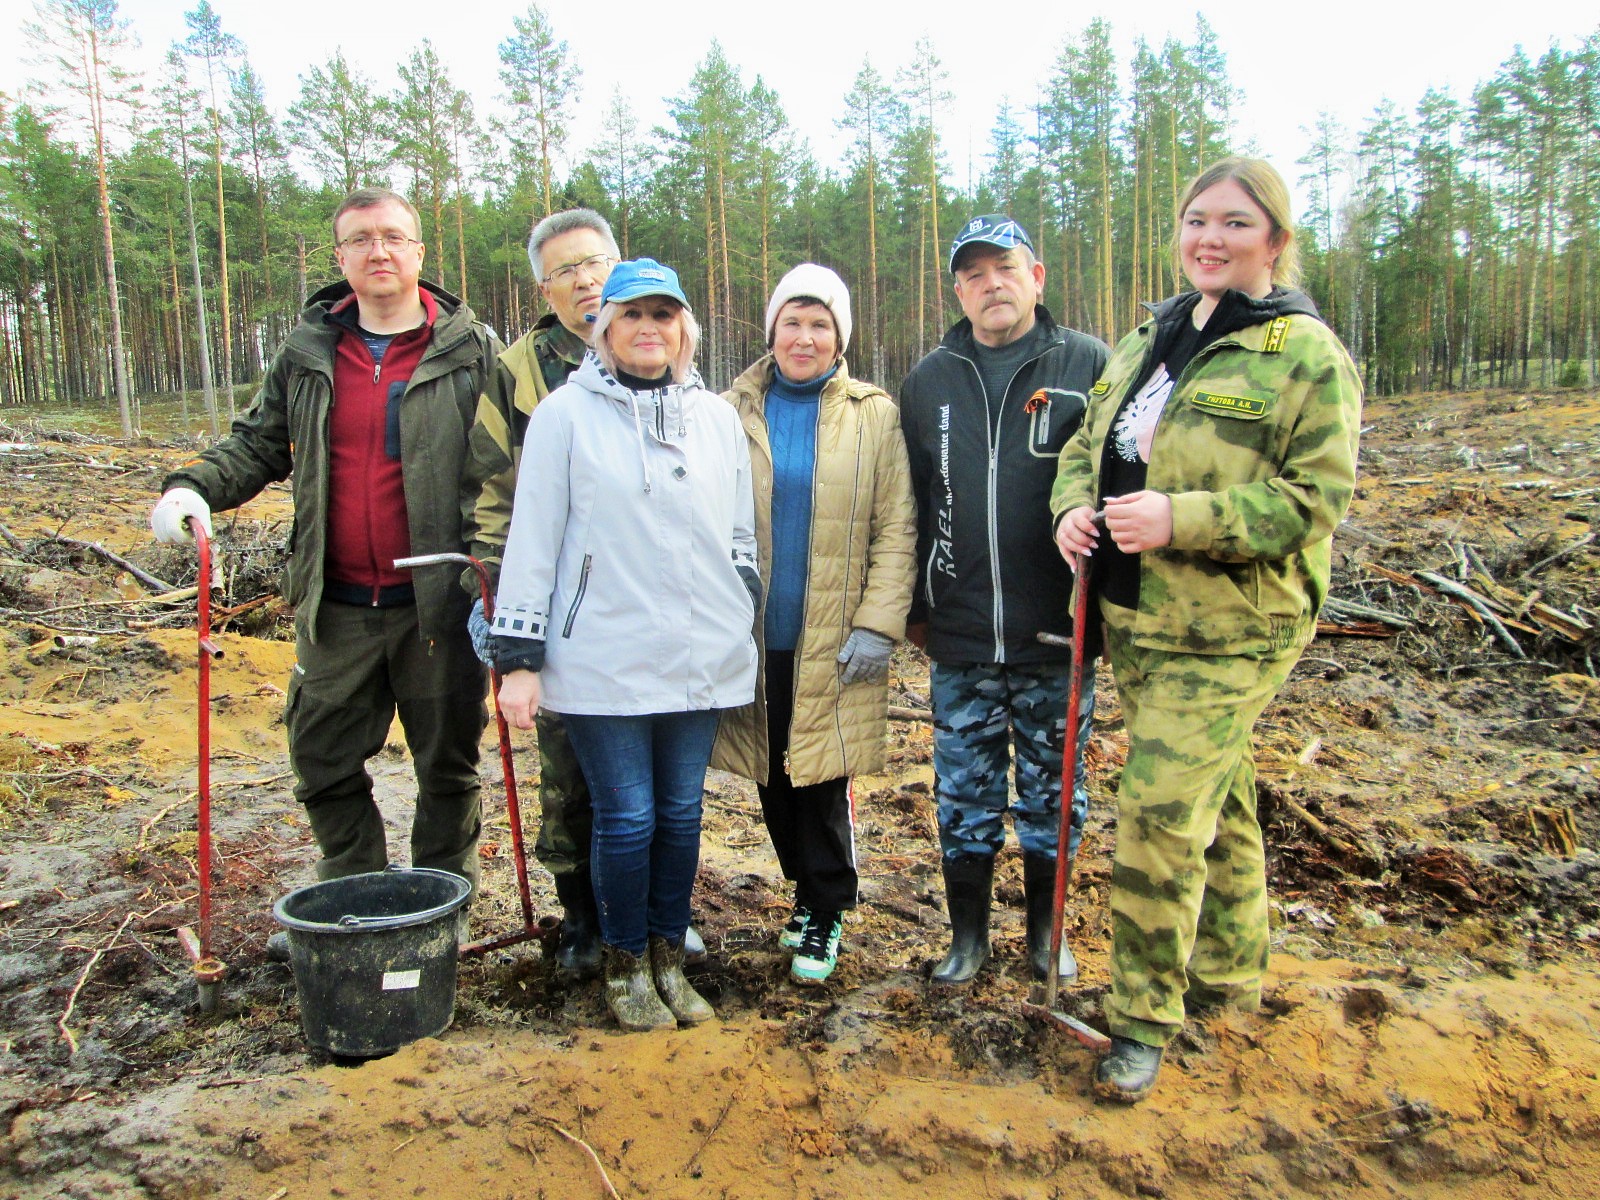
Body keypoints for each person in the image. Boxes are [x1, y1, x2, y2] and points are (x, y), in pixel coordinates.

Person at [1053, 156, 1362, 1103]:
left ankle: (1145, 1017)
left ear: (1274, 237)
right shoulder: (1153, 332)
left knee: (1156, 808)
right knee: (1214, 793)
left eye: (1234, 223)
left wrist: (1183, 518)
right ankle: (1229, 980)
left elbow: (1314, 502)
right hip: (1135, 614)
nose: (1210, 239)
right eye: (1196, 221)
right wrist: (1072, 508)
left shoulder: (1305, 355)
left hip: (1233, 628)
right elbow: (1085, 444)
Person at [151, 187, 500, 952]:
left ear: (418, 251)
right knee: (323, 762)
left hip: (437, 605)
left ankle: (441, 913)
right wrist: (192, 487)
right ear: (340, 258)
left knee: (449, 766)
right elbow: (256, 442)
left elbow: (512, 466)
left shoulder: (473, 350)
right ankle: (354, 897)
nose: (379, 252)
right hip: (334, 603)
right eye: (361, 240)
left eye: (393, 238)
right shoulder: (310, 353)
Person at [490, 259, 758, 1032]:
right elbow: (532, 538)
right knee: (628, 817)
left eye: (664, 315)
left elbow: (739, 531)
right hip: (601, 654)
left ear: (684, 331)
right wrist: (518, 657)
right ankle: (624, 965)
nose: (649, 328)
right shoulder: (564, 418)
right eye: (632, 315)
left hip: (700, 654)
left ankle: (670, 958)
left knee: (680, 814)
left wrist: (737, 602)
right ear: (603, 329)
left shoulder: (714, 419)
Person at [899, 215, 1108, 989]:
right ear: (957, 289)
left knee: (1056, 792)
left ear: (1037, 276)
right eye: (974, 273)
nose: (992, 284)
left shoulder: (1088, 365)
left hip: (1058, 629)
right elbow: (913, 504)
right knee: (962, 792)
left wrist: (1111, 610)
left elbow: (1119, 484)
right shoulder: (929, 381)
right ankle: (968, 939)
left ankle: (1046, 936)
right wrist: (916, 610)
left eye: (1006, 268)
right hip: (958, 632)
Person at [713, 264, 916, 986]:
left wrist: (878, 624)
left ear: (841, 337)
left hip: (833, 631)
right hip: (751, 629)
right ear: (771, 331)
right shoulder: (728, 409)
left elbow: (898, 525)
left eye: (820, 324)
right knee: (770, 769)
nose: (805, 337)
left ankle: (828, 904)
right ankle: (804, 892)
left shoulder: (874, 414)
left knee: (820, 776)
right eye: (792, 322)